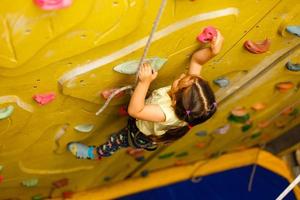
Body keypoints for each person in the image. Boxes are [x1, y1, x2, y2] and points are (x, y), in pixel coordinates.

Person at [67, 29, 224, 160]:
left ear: (175, 100)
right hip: (147, 116)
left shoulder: (166, 113)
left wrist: (144, 82)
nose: (184, 76)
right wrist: (212, 52)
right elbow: (197, 61)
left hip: (138, 133)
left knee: (115, 141)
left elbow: (135, 111)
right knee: (138, 98)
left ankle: (94, 154)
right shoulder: (190, 91)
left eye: (182, 81)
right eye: (191, 77)